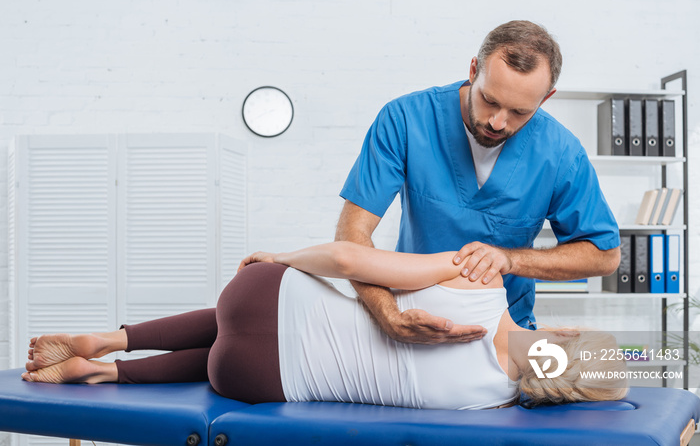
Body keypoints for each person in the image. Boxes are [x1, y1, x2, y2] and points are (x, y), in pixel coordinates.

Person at [21, 242, 628, 410]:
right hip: (253, 379)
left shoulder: (479, 281)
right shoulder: (486, 404)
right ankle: (104, 371)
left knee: (252, 315)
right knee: (232, 352)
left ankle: (112, 337)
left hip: (257, 301)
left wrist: (280, 257)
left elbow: (343, 260)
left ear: (566, 334)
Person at [336, 20, 621, 344]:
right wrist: (388, 316)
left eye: (519, 111)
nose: (498, 122)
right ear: (474, 69)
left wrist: (511, 259)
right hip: (412, 321)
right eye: (489, 100)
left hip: (503, 333)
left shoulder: (560, 153)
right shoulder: (404, 120)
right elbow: (351, 237)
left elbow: (604, 254)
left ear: (545, 98)